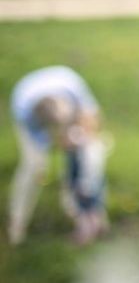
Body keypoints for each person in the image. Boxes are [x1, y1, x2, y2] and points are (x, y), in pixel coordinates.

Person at [8, 65, 109, 246]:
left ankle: (85, 210)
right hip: (29, 104)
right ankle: (17, 222)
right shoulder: (25, 112)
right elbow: (43, 143)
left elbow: (93, 118)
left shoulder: (73, 87)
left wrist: (80, 137)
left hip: (64, 98)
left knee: (89, 154)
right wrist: (59, 142)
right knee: (34, 166)